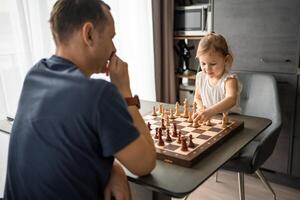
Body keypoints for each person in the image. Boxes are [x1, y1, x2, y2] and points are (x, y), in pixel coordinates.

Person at [4, 0, 156, 200]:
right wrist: (125, 92)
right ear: (89, 34)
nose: (114, 48)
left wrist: (113, 168)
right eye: (111, 37)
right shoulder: (100, 94)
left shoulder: (35, 74)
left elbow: (69, 146)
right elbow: (145, 164)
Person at [193, 32, 242, 123]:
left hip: (231, 121)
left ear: (225, 60)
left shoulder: (229, 80)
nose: (207, 68)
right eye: (203, 63)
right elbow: (197, 97)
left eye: (213, 64)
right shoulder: (200, 77)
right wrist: (201, 109)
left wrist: (211, 111)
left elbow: (231, 99)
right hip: (210, 119)